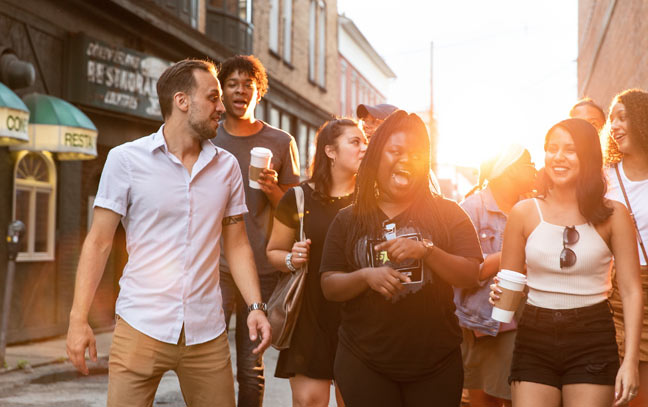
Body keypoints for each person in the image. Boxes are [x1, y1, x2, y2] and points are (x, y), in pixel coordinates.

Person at [65, 59, 271, 407]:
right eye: (213, 97)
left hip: (207, 333)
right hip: (140, 325)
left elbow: (237, 245)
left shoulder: (227, 168)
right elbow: (98, 242)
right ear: (182, 101)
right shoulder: (125, 160)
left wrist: (255, 305)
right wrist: (77, 319)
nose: (221, 107)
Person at [320, 111, 483, 406]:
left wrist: (428, 251)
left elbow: (471, 273)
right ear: (377, 157)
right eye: (395, 151)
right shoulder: (348, 219)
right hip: (364, 360)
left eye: (416, 154)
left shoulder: (448, 213)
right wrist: (365, 276)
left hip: (436, 364)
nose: (406, 159)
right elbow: (329, 285)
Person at [490, 118, 642, 407]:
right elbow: (508, 282)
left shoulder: (614, 214)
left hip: (592, 335)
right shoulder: (523, 213)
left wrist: (630, 361)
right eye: (552, 148)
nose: (558, 157)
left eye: (570, 150)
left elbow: (632, 290)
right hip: (534, 334)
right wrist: (498, 294)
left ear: (588, 156)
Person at [211, 54, 300, 407]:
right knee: (209, 360)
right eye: (232, 84)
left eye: (248, 84)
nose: (240, 90)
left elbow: (296, 213)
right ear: (221, 92)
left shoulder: (280, 142)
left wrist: (273, 189)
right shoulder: (209, 136)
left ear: (258, 92)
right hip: (215, 267)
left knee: (250, 367)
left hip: (261, 270)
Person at [266, 118, 367, 407]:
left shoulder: (372, 200)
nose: (364, 148)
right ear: (330, 151)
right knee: (310, 402)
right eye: (355, 141)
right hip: (309, 318)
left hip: (360, 319)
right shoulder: (297, 198)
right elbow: (274, 251)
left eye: (365, 142)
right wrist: (291, 257)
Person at [455, 145, 537, 407]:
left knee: (523, 398)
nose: (534, 168)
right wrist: (514, 252)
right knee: (485, 400)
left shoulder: (534, 206)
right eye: (528, 163)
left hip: (530, 320)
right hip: (485, 322)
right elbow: (464, 272)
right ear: (508, 169)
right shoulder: (471, 207)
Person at [604, 89, 648, 407]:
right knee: (629, 392)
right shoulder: (603, 179)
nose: (614, 126)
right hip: (621, 296)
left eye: (623, 117)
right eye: (611, 120)